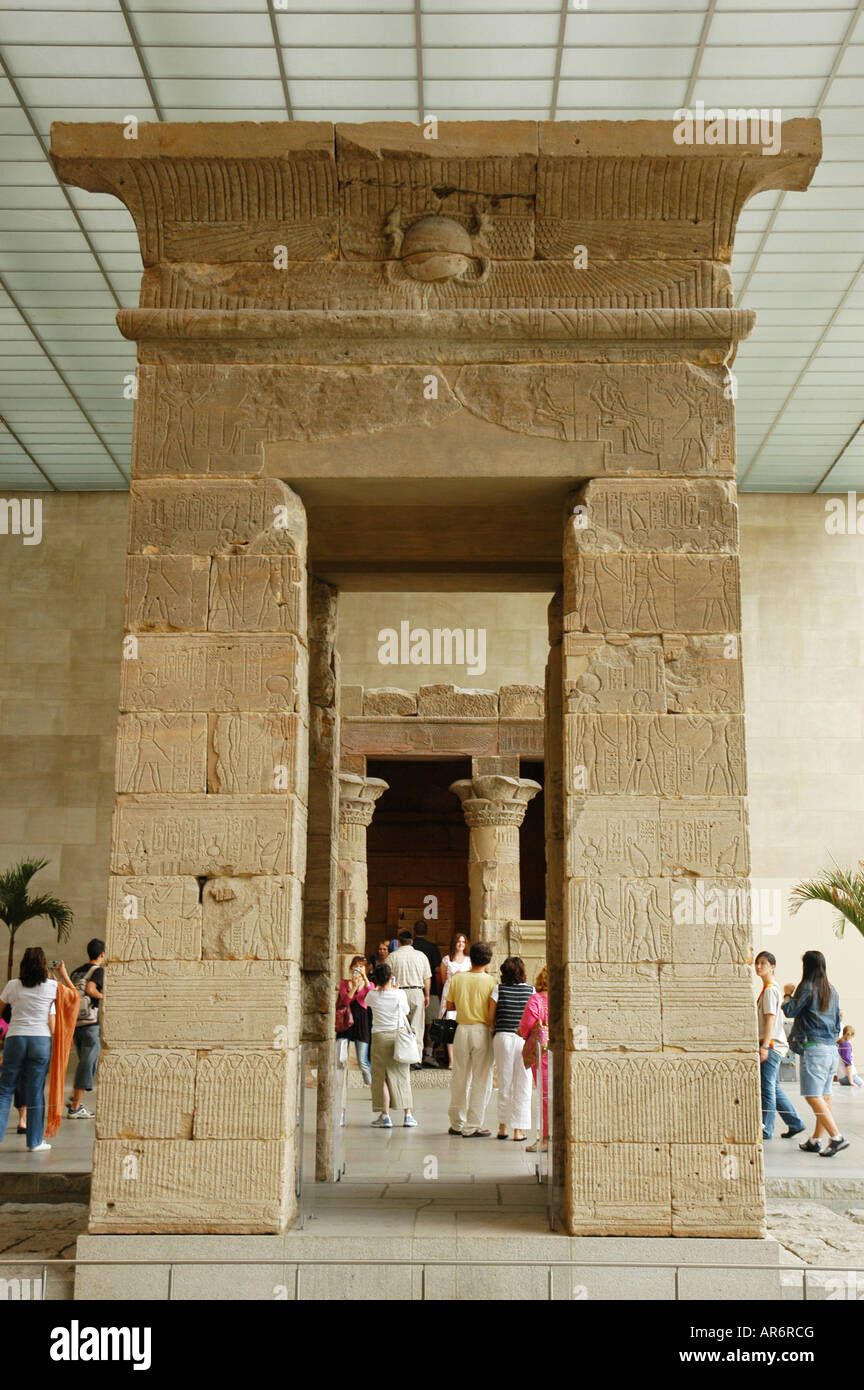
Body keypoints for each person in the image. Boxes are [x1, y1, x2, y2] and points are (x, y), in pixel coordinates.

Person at [782, 950, 848, 1157]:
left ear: (807, 967)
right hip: (830, 1048)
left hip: (814, 1048)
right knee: (825, 1096)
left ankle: (836, 1137)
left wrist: (787, 994)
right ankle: (815, 1140)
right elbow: (837, 1023)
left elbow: (790, 1011)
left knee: (812, 1095)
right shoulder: (832, 990)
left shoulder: (807, 987)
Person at [0, 947, 58, 1151]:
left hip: (15, 1038)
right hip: (41, 1040)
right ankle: (34, 1142)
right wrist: (64, 973)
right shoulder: (52, 986)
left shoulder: (12, 985)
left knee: (5, 1089)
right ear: (44, 964)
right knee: (35, 1092)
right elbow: (72, 999)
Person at [754, 950, 805, 1140]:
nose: (759, 967)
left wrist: (765, 1046)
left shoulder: (769, 990)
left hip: (772, 1045)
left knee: (767, 1088)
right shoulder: (770, 989)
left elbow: (770, 1020)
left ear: (772, 966)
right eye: (757, 963)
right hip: (774, 1044)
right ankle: (795, 1123)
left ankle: (766, 1129)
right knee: (773, 1087)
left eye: (763, 963)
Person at [446, 941, 495, 1138]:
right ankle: (473, 1124)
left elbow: (450, 1006)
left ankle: (457, 1123)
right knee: (481, 1078)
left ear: (470, 956)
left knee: (460, 1075)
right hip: (482, 1031)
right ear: (488, 960)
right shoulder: (491, 982)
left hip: (462, 1029)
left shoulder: (458, 979)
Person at [365, 962, 416, 1129]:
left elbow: (367, 1003)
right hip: (397, 1035)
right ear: (390, 976)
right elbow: (406, 1011)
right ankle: (407, 1114)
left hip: (379, 1036)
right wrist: (396, 988)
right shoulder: (399, 994)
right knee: (401, 1074)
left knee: (381, 1077)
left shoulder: (372, 995)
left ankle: (385, 1114)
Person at [489, 956, 534, 1142]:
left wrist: (495, 1029)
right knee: (523, 1084)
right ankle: (519, 1130)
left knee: (504, 1082)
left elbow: (490, 1018)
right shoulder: (531, 990)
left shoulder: (498, 989)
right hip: (524, 1039)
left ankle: (502, 1127)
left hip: (503, 1038)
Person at [58, 938, 104, 1119]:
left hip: (75, 1023)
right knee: (87, 1063)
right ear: (102, 954)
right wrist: (105, 997)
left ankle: (76, 1096)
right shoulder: (97, 970)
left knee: (86, 1062)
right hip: (90, 1024)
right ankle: (76, 1106)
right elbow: (92, 990)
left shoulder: (77, 971)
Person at [387, 928, 431, 1068]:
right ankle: (416, 1058)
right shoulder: (421, 956)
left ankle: (400, 1056)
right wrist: (427, 994)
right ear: (412, 942)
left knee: (399, 1026)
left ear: (399, 942)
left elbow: (387, 977)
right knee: (417, 1026)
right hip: (417, 991)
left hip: (399, 993)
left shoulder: (392, 957)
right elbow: (427, 977)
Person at [518, 965, 549, 1153]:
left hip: (544, 1052)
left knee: (545, 1096)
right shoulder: (565, 997)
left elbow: (526, 1025)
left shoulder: (537, 999)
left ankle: (545, 1139)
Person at [410, 920, 442, 1067]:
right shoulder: (432, 948)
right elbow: (437, 969)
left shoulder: (410, 947)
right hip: (431, 991)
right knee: (430, 1024)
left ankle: (411, 1054)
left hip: (411, 989)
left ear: (413, 931)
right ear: (427, 931)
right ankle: (428, 1053)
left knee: (411, 1024)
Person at [336, 956, 372, 1086]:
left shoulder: (369, 984)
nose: (359, 968)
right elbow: (345, 1001)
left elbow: (371, 995)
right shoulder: (344, 983)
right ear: (351, 968)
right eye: (356, 966)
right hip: (345, 1022)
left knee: (362, 1061)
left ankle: (371, 1087)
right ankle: (338, 1086)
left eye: (362, 966)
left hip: (361, 1023)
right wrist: (354, 986)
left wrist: (364, 979)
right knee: (340, 1058)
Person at [439, 932, 471, 1070]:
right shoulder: (446, 960)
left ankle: (463, 1059)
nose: (461, 944)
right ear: (454, 943)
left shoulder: (469, 961)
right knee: (450, 1027)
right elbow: (443, 979)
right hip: (449, 995)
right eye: (459, 942)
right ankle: (452, 1060)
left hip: (464, 996)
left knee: (463, 1027)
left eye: (463, 942)